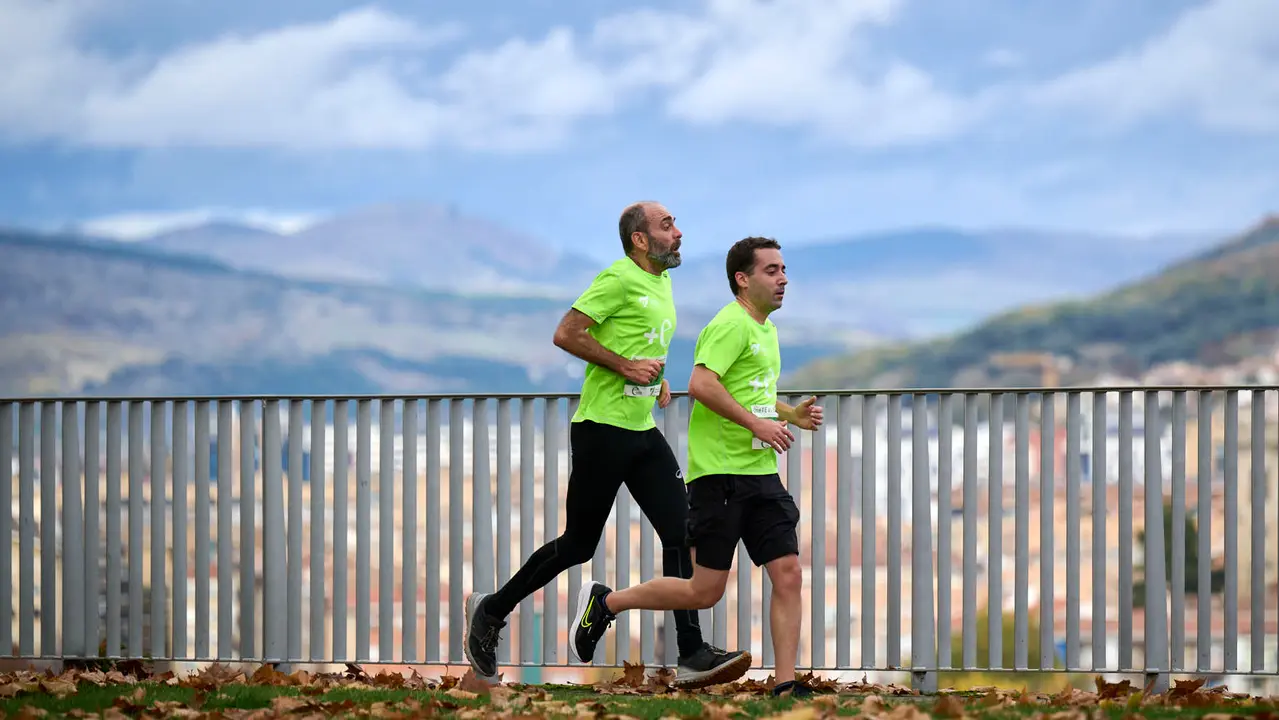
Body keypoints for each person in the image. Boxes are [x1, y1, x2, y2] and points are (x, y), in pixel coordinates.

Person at [463, 202, 751, 689]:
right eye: (667, 226)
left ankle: (692, 651)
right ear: (640, 240)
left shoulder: (662, 282)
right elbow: (566, 333)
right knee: (578, 544)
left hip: (640, 431)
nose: (679, 233)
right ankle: (491, 612)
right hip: (601, 430)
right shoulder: (617, 278)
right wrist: (624, 366)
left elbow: (642, 342)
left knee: (683, 532)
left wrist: (654, 376)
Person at [566, 236, 823, 697]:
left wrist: (788, 416)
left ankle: (785, 683)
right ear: (742, 280)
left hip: (761, 475)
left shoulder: (765, 329)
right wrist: (759, 426)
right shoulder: (731, 325)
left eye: (784, 270)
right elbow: (702, 384)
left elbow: (751, 393)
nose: (783, 279)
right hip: (720, 478)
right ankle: (608, 602)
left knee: (788, 573)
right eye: (771, 271)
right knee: (703, 591)